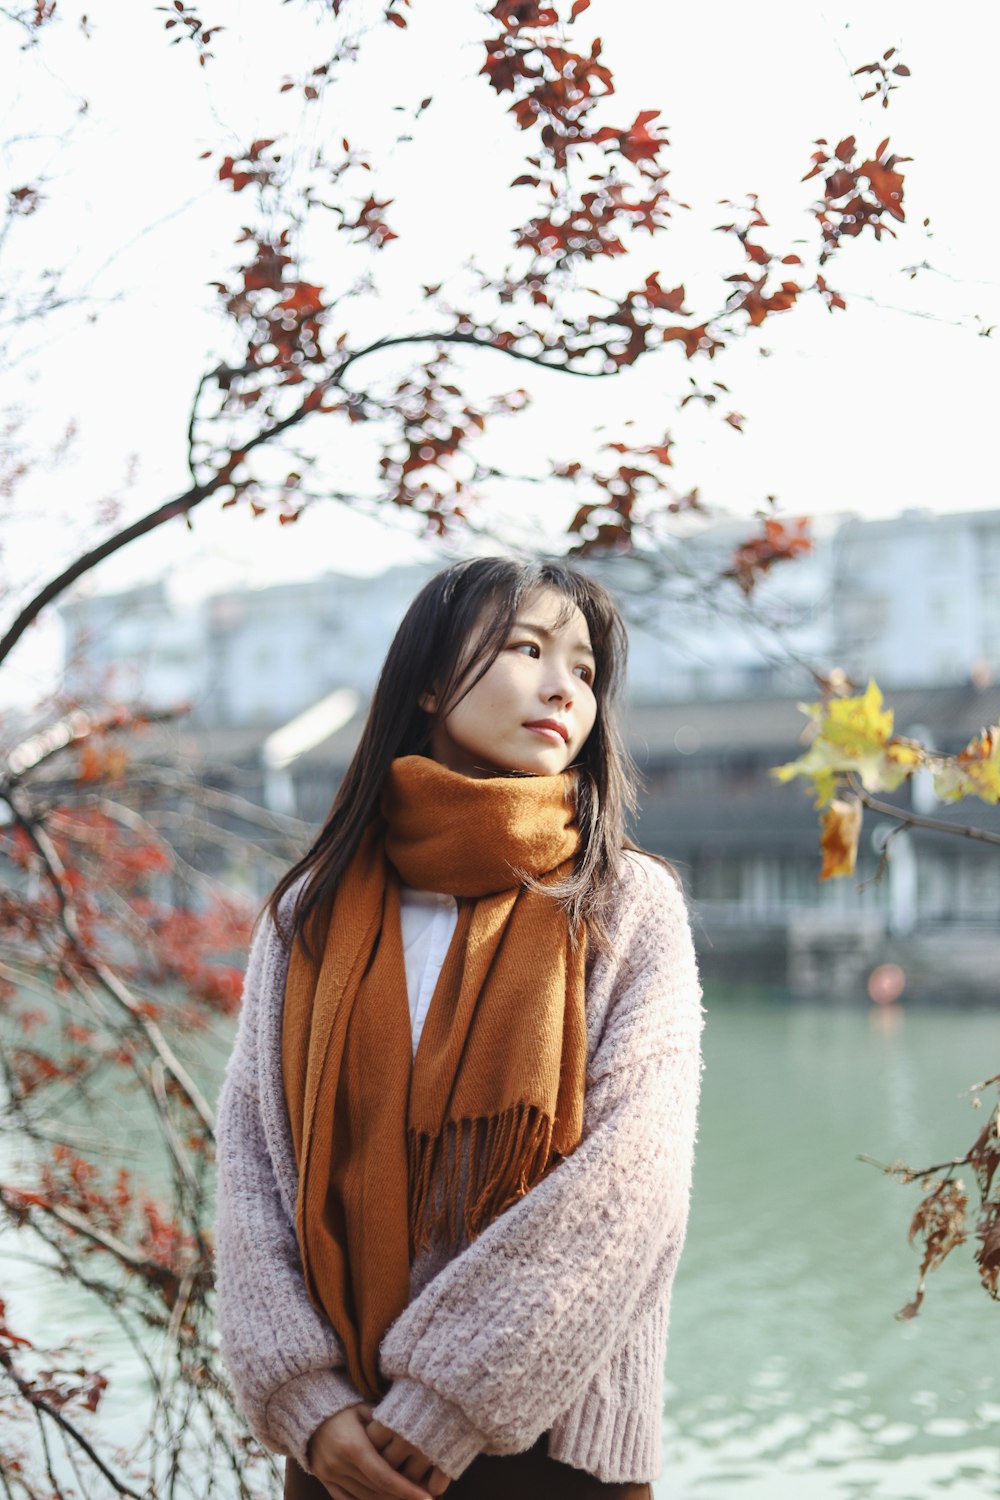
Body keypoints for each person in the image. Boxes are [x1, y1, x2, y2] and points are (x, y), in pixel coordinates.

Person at [214, 557, 705, 1500]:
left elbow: (632, 1185)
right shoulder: (307, 914)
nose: (565, 685)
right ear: (432, 682)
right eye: (529, 649)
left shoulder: (625, 904)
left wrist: (445, 1402)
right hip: (342, 1448)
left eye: (587, 669)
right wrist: (305, 1402)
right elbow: (249, 1164)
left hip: (553, 1450)